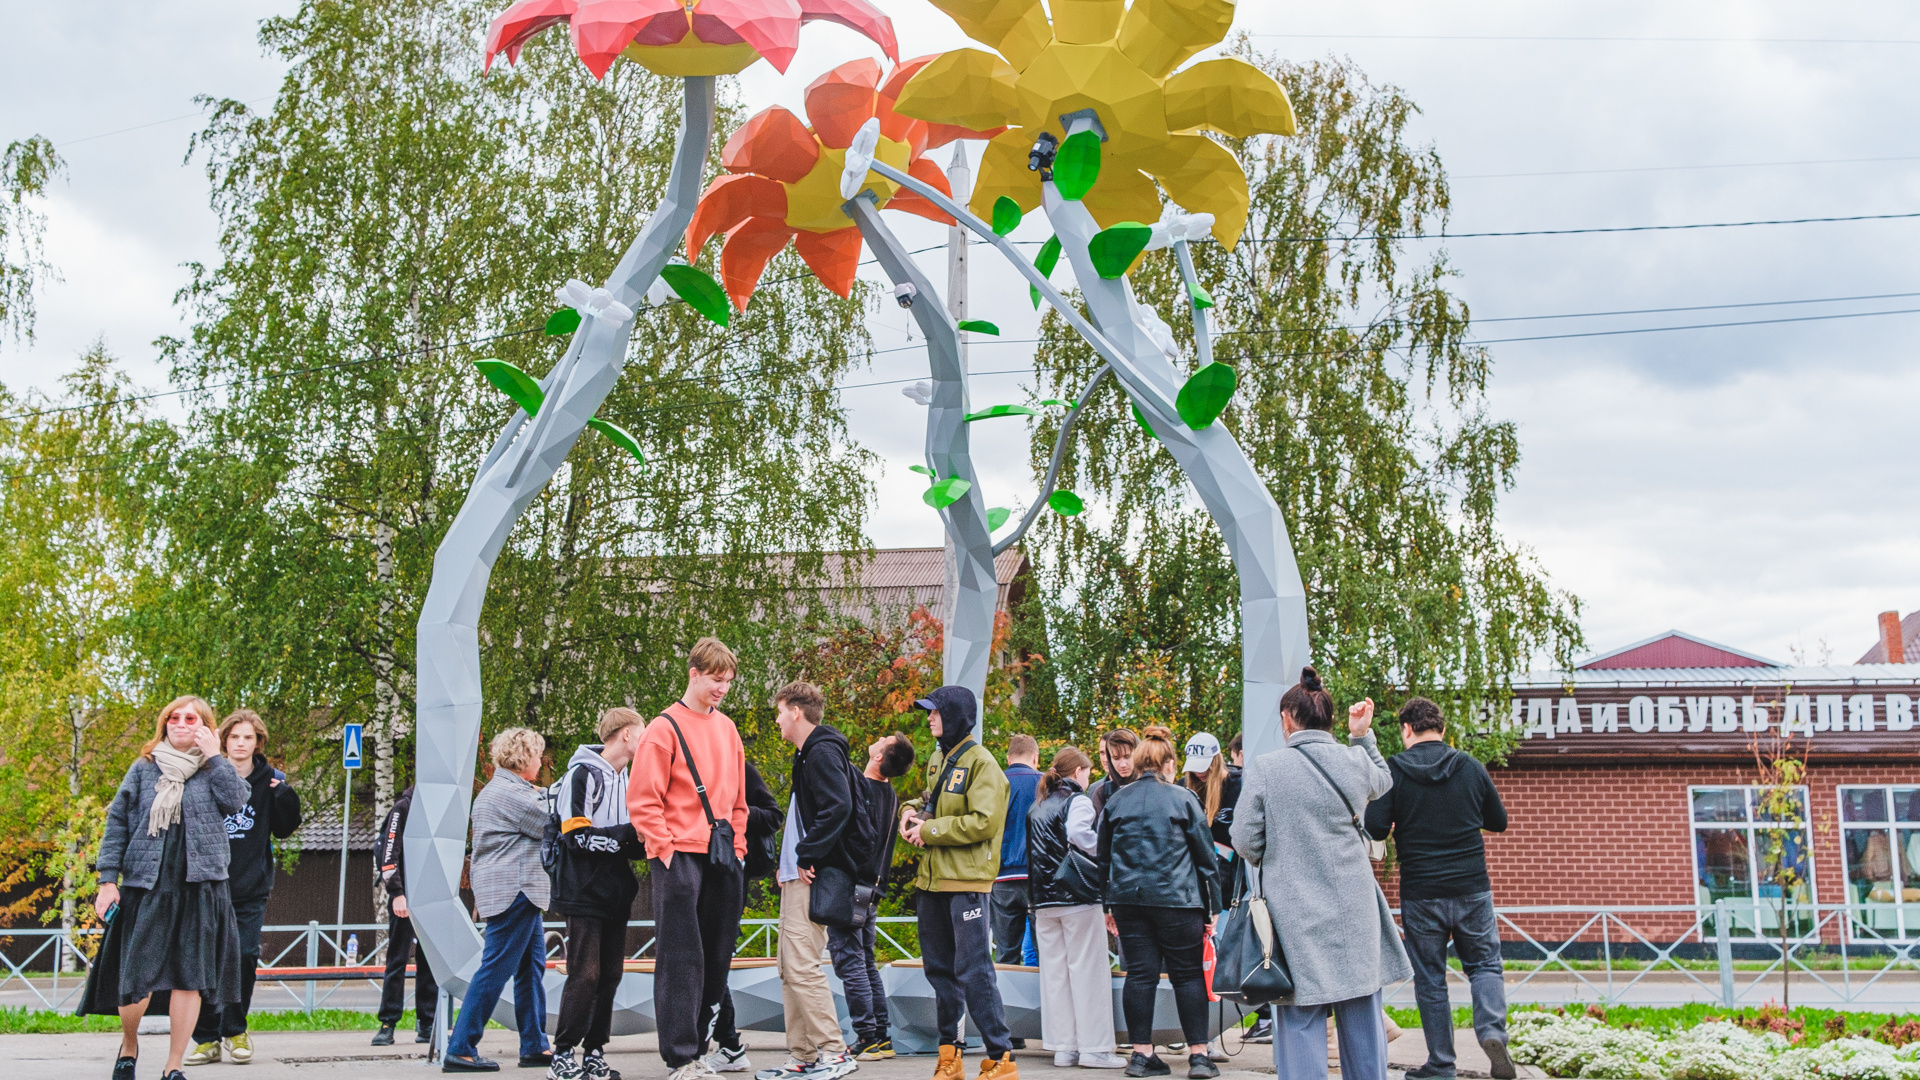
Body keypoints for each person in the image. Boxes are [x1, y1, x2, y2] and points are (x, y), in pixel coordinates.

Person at [1230, 669, 1411, 1080]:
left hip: (1295, 909)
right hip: (1356, 907)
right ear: (1328, 720)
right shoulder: (1353, 762)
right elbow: (1383, 781)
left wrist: (1276, 855)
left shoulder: (1267, 768)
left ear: (1288, 719)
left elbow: (1244, 841)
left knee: (1300, 1015)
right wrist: (1361, 735)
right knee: (1362, 1008)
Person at [83, 696, 248, 1080]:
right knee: (135, 976)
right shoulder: (143, 769)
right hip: (147, 883)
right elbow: (118, 824)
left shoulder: (214, 770)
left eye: (190, 718)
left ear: (205, 726)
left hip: (200, 886)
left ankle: (173, 1066)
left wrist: (214, 757)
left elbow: (237, 802)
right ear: (163, 724)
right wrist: (107, 881)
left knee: (190, 978)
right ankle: (129, 1045)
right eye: (173, 717)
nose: (180, 723)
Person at [1363, 698, 1513, 1080]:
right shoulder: (1469, 766)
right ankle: (1492, 1032)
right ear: (1442, 730)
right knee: (1484, 965)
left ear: (1406, 730)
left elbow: (1376, 828)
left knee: (1431, 979)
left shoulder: (1394, 771)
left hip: (1422, 892)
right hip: (1471, 887)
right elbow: (1498, 821)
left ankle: (1441, 1065)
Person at [628, 638, 750, 1080]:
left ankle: (699, 1050)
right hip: (679, 856)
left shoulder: (728, 729)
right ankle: (680, 1058)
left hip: (721, 857)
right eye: (717, 680)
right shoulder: (663, 728)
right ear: (694, 673)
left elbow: (740, 800)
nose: (723, 689)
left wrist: (737, 847)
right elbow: (643, 801)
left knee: (717, 957)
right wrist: (664, 850)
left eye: (728, 683)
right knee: (681, 959)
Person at [898, 685, 1017, 1080]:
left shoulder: (983, 763)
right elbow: (929, 799)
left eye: (934, 712)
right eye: (928, 712)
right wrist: (910, 811)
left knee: (974, 970)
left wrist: (929, 831)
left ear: (956, 715)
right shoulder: (939, 757)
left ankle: (1001, 1059)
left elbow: (984, 821)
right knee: (939, 971)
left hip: (966, 882)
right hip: (932, 882)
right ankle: (950, 1057)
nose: (928, 718)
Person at [1097, 730, 1221, 1080]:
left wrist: (1106, 905)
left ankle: (1141, 1054)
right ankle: (1198, 1055)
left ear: (1137, 763)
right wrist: (1213, 905)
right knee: (1187, 975)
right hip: (1177, 900)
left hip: (1128, 900)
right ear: (1169, 763)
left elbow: (1102, 858)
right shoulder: (1183, 799)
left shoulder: (1116, 801)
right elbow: (1205, 858)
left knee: (1140, 975)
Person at [185, 710, 302, 1066]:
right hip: (206, 885)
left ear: (258, 742)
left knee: (245, 956)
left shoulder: (271, 781)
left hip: (250, 887)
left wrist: (283, 795)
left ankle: (235, 1030)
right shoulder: (205, 775)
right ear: (224, 741)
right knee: (203, 962)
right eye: (234, 737)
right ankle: (205, 1038)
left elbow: (285, 829)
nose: (240, 743)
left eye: (247, 738)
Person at [758, 682, 860, 1080]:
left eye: (781, 711)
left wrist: (807, 854)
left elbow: (839, 807)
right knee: (790, 967)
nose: (778, 719)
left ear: (796, 711)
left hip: (812, 875)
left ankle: (835, 1052)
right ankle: (802, 1056)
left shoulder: (821, 751)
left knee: (801, 966)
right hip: (796, 877)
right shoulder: (808, 754)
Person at [444, 728, 554, 1073]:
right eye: (538, 755)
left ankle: (534, 1044)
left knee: (529, 968)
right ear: (523, 758)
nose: (541, 761)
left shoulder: (509, 788)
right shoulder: (509, 793)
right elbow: (551, 820)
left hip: (519, 891)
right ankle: (460, 1047)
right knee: (496, 968)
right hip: (514, 890)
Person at [549, 709, 649, 1080]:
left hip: (614, 891)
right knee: (584, 973)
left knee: (610, 974)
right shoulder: (583, 773)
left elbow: (629, 837)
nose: (647, 740)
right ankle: (562, 1054)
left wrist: (641, 841)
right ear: (625, 734)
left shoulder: (626, 778)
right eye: (643, 732)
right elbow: (575, 836)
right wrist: (627, 836)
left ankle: (594, 1050)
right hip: (582, 889)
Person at [1025, 747, 1121, 1071]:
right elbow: (1079, 833)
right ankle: (1094, 1049)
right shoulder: (1077, 800)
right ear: (1078, 771)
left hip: (1042, 900)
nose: (1089, 775)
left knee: (1056, 976)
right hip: (1076, 896)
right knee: (1088, 972)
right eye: (1088, 770)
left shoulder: (1038, 805)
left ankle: (1064, 1048)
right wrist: (1103, 850)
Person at [837, 733, 913, 1062]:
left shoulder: (862, 788)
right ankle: (882, 1036)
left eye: (884, 740)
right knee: (867, 963)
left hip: (853, 886)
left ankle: (866, 1036)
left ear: (880, 757)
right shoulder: (890, 794)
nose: (879, 738)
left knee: (851, 962)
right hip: (873, 889)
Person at [708, 758, 785, 1075]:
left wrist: (735, 812)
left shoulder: (737, 768)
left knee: (714, 962)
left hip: (730, 873)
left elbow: (773, 816)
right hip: (700, 872)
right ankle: (729, 1045)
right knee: (709, 962)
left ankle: (728, 1045)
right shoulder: (686, 768)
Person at [374, 783, 438, 1047]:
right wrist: (397, 892)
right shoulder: (404, 807)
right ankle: (388, 1023)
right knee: (398, 959)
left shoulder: (440, 807)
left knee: (430, 961)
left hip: (432, 897)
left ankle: (427, 1021)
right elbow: (388, 852)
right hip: (405, 896)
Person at [993, 735, 1042, 972]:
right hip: (1037, 878)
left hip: (1001, 878)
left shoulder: (994, 782)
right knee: (1045, 954)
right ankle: (1045, 1007)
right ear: (1036, 758)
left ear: (1008, 758)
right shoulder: (1045, 784)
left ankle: (1006, 1007)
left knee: (1005, 955)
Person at [1086, 729, 1137, 819]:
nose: (1105, 759)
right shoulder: (1098, 791)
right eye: (1102, 753)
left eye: (1127, 756)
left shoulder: (1150, 785)